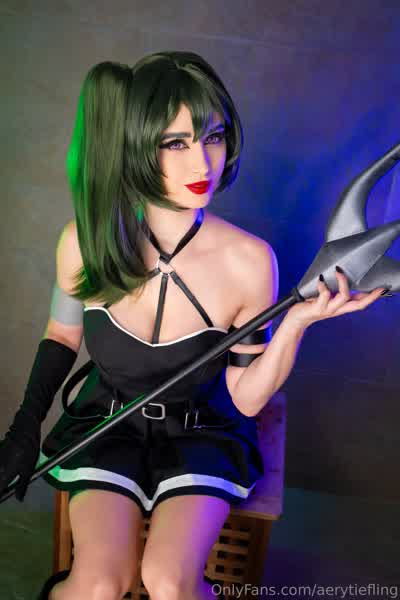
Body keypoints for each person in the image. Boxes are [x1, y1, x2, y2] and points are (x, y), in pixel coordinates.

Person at [0, 51, 387, 600]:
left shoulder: (251, 261)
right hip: (108, 424)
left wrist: (297, 322)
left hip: (202, 432)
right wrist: (23, 428)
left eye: (213, 137)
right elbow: (62, 336)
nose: (202, 163)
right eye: (175, 143)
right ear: (136, 145)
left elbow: (246, 398)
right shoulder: (83, 242)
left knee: (169, 582)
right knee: (99, 584)